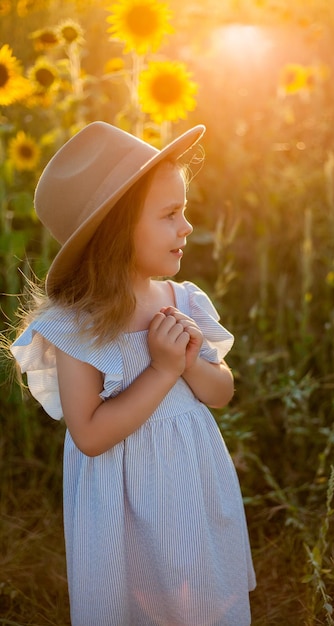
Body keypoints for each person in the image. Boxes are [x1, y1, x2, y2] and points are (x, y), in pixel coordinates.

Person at [10, 121, 256, 626]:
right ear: (117, 233)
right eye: (170, 215)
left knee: (200, 596)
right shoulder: (80, 326)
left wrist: (188, 360)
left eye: (183, 211)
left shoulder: (182, 300)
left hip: (190, 486)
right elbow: (91, 434)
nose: (186, 227)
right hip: (125, 507)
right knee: (137, 604)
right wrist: (162, 372)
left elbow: (222, 391)